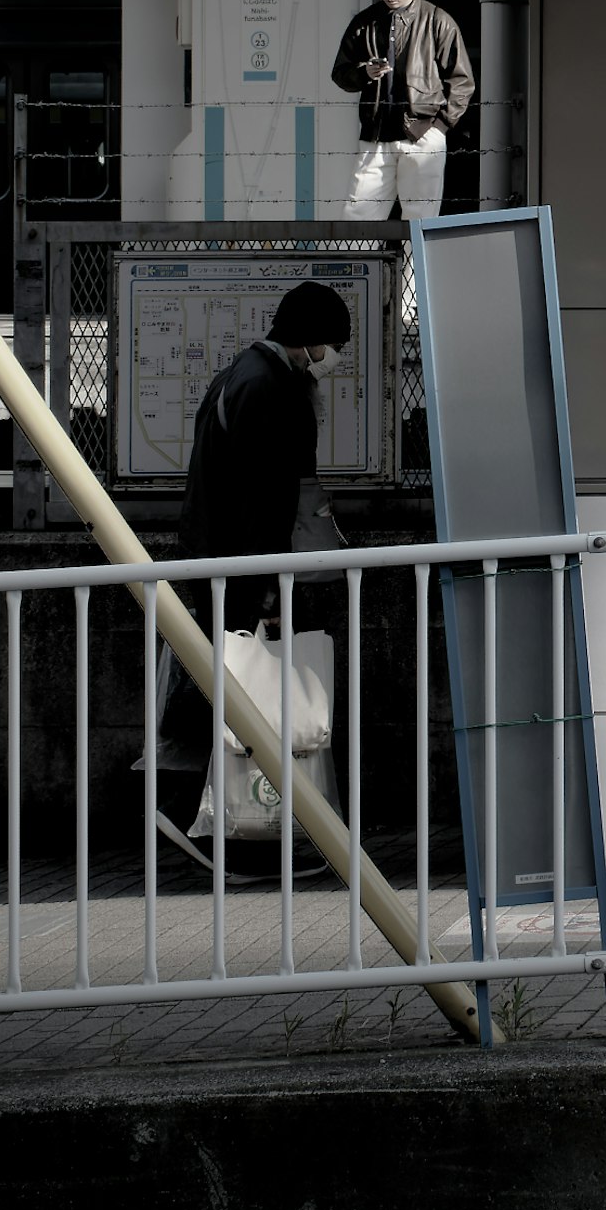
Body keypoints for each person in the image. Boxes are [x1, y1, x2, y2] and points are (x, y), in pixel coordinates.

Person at [156, 280, 352, 835]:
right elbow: (262, 500)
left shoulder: (243, 374)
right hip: (241, 567)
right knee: (240, 695)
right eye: (332, 344)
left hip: (220, 558)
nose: (333, 357)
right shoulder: (269, 388)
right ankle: (234, 820)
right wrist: (267, 591)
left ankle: (217, 814)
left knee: (226, 687)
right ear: (309, 340)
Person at [329, 0, 470, 223]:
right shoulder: (365, 21)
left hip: (423, 133)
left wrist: (439, 127)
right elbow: (340, 73)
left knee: (419, 219)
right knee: (357, 216)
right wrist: (365, 73)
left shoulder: (437, 19)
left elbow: (461, 81)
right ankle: (359, 265)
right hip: (376, 135)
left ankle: (410, 266)